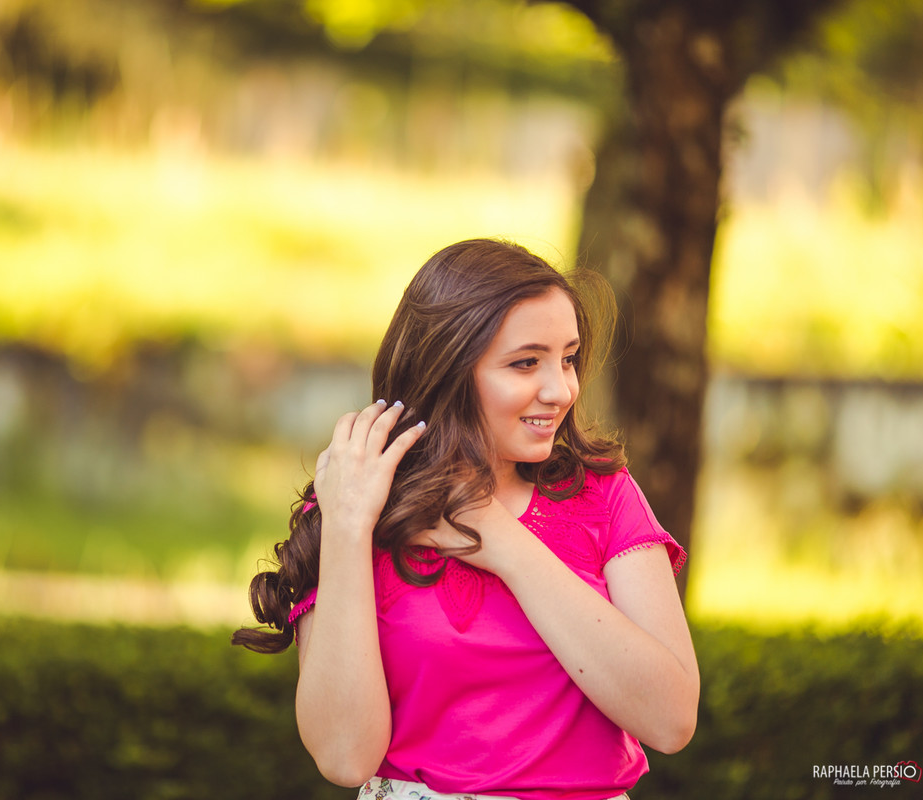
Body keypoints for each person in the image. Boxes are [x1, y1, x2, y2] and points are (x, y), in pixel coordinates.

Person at [233, 238, 698, 800]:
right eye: (526, 362)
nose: (562, 390)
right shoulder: (354, 505)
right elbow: (344, 756)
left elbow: (671, 721)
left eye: (568, 359)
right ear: (447, 368)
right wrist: (349, 528)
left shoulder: (604, 494)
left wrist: (502, 542)